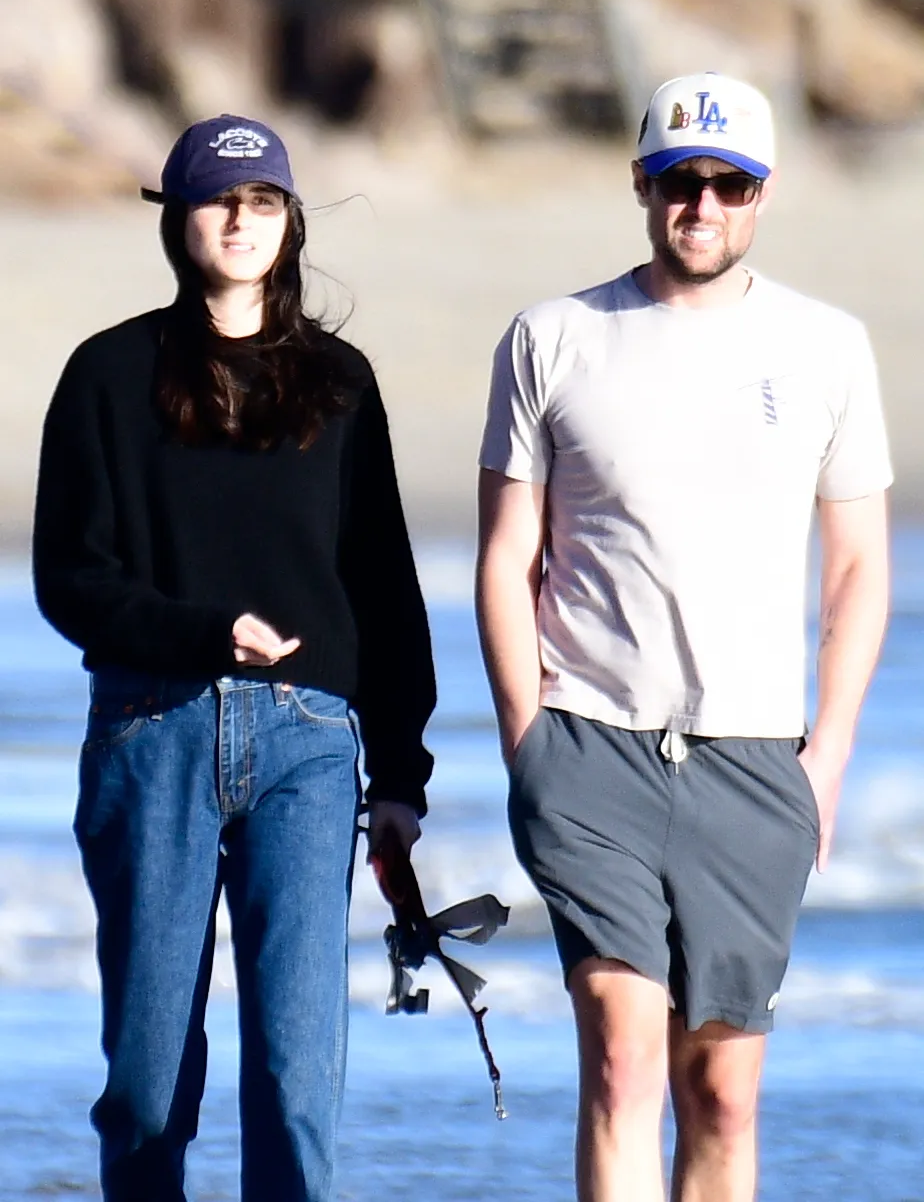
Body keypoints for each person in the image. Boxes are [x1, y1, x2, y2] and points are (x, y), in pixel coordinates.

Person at [475, 73, 892, 1201]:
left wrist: (828, 756)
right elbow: (506, 558)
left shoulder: (827, 347)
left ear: (761, 193)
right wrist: (531, 742)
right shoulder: (553, 337)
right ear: (642, 185)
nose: (700, 204)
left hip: (754, 761)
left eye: (727, 183)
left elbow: (858, 571)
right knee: (620, 1063)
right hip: (591, 748)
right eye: (677, 180)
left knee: (724, 1092)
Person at [33, 114, 436, 1202]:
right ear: (177, 219)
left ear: (291, 220)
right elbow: (70, 579)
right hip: (149, 729)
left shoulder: (340, 384)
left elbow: (386, 591)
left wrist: (400, 777)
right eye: (218, 200)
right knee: (149, 1077)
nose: (241, 220)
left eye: (264, 202)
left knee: (296, 1066)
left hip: (308, 744)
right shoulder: (108, 375)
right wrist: (203, 631)